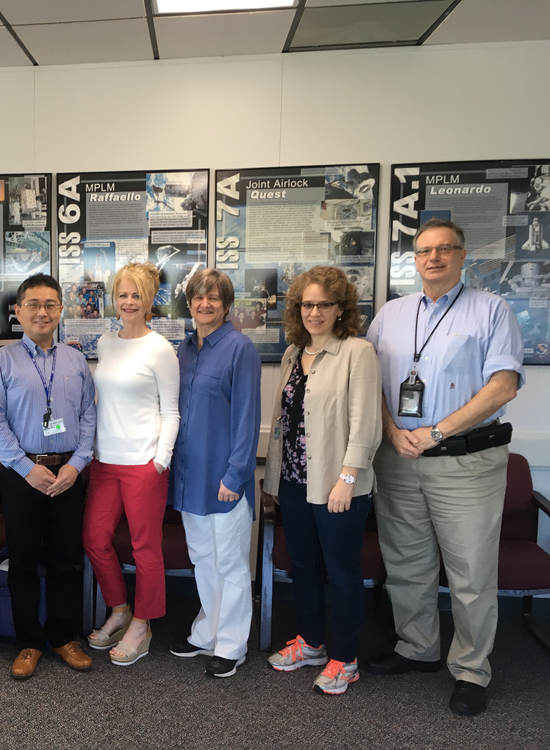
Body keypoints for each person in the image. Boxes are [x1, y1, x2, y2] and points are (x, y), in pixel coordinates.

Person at [366, 218, 524, 716]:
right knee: (406, 565)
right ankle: (417, 648)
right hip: (398, 458)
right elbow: (370, 382)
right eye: (424, 251)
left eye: (444, 249)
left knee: (471, 572)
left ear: (461, 256)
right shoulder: (390, 315)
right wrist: (391, 432)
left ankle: (472, 670)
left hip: (465, 461)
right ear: (414, 260)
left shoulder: (491, 309)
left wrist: (437, 432)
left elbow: (503, 386)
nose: (433, 258)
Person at [263, 266, 382, 695]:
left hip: (337, 485)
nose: (314, 312)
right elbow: (283, 422)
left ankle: (345, 658)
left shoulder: (357, 352)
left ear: (340, 308)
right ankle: (312, 643)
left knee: (342, 571)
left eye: (324, 304)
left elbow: (366, 424)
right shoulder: (295, 353)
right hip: (295, 482)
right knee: (304, 566)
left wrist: (348, 478)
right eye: (307, 304)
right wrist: (273, 481)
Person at [0, 273, 96, 680]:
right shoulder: (2, 361)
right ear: (18, 311)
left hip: (67, 473)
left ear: (61, 310)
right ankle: (28, 642)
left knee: (66, 560)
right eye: (33, 304)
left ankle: (65, 637)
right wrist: (27, 469)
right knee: (24, 560)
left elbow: (88, 416)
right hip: (21, 475)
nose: (42, 312)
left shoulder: (75, 359)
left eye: (50, 304)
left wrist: (76, 465)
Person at [82, 263, 179, 665]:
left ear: (149, 299)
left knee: (144, 548)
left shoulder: (160, 348)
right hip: (105, 461)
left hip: (144, 464)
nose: (128, 302)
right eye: (122, 294)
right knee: (94, 538)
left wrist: (160, 461)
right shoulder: (105, 343)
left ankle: (143, 623)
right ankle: (119, 610)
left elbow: (171, 411)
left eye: (136, 295)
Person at [168, 269, 261, 678]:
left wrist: (236, 474)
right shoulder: (184, 350)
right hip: (189, 476)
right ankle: (207, 632)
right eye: (198, 298)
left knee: (231, 564)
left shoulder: (240, 348)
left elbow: (247, 416)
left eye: (214, 298)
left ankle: (232, 643)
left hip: (224, 479)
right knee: (202, 559)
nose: (205, 304)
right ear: (188, 302)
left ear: (226, 304)